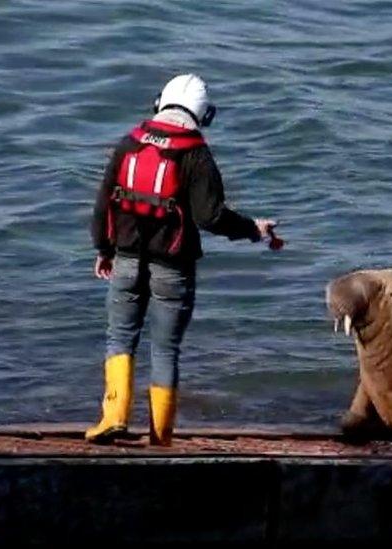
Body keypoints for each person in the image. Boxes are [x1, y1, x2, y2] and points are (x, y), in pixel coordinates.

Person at [87, 74, 281, 446]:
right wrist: (253, 229)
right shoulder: (196, 154)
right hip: (173, 269)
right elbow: (210, 216)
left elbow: (102, 204)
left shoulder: (129, 144)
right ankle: (161, 437)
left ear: (159, 102)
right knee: (165, 348)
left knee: (120, 337)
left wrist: (103, 249)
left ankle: (113, 417)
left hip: (126, 261)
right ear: (203, 114)